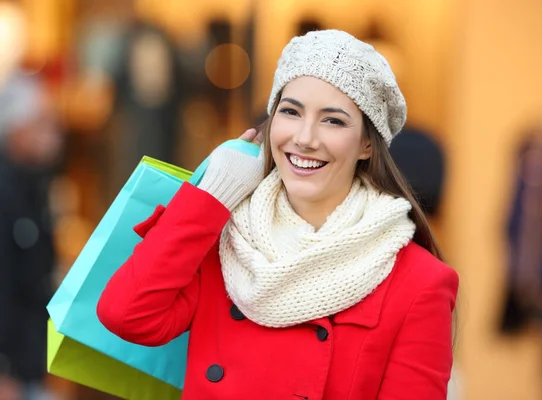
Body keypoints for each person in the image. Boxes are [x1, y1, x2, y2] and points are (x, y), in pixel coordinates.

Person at [97, 29, 459, 399]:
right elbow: (125, 314)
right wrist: (212, 194)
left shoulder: (419, 283)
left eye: (332, 120)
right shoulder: (228, 242)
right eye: (290, 112)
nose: (304, 137)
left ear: (367, 143)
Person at [0, 72, 62, 400]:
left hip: (31, 364)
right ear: (16, 129)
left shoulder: (35, 184)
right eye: (41, 122)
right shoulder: (6, 191)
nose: (53, 133)